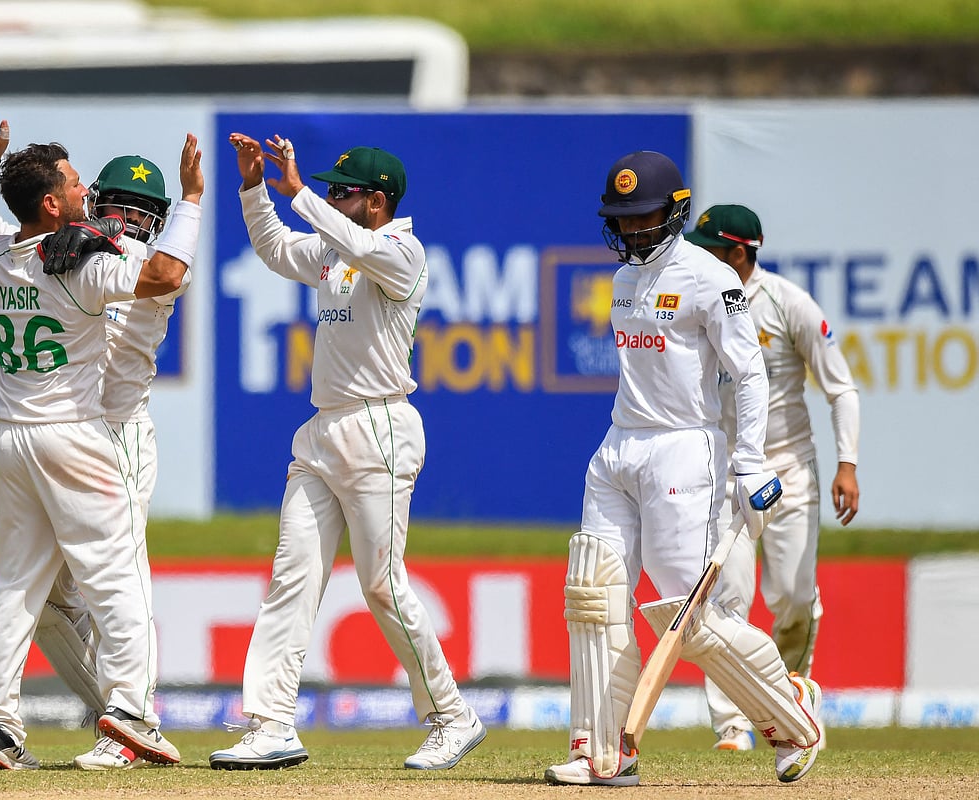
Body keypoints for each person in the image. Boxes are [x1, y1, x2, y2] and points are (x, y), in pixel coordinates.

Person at [0, 82, 203, 770]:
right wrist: (192, 198)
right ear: (56, 203)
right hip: (77, 431)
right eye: (78, 186)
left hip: (17, 434)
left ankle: (0, 725)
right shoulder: (84, 263)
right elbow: (165, 271)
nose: (89, 196)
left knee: (14, 586)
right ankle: (129, 713)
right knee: (116, 579)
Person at [543, 151, 822, 786]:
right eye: (622, 218)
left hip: (683, 449)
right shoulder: (622, 279)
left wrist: (748, 464)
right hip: (619, 445)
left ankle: (791, 717)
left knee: (686, 617)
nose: (632, 229)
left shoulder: (709, 278)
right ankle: (603, 752)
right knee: (594, 595)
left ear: (674, 213)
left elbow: (749, 373)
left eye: (643, 217)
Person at [209, 133, 485, 771]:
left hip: (379, 427)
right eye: (329, 191)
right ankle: (271, 724)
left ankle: (453, 716)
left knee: (382, 585)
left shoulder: (403, 252)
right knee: (292, 576)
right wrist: (253, 188)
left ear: (377, 201)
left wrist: (300, 194)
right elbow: (275, 249)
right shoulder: (335, 250)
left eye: (342, 192)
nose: (332, 199)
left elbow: (361, 246)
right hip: (322, 431)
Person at [685, 204, 860, 751]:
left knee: (793, 597)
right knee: (725, 596)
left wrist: (848, 464)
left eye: (710, 249)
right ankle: (732, 725)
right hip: (724, 470)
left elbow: (841, 389)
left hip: (788, 469)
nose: (697, 256)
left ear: (739, 253)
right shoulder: (696, 297)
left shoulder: (789, 304)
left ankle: (787, 701)